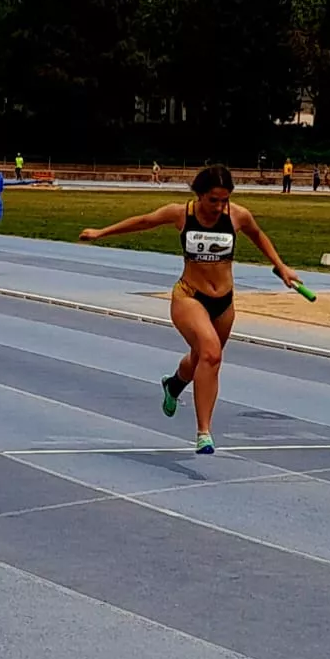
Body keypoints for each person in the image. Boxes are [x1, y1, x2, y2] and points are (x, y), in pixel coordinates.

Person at [77, 165, 302, 454]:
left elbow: (258, 235)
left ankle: (174, 384)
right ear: (200, 195)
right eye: (213, 200)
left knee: (201, 359)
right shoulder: (181, 213)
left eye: (225, 200)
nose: (220, 207)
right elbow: (144, 221)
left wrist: (280, 266)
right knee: (211, 352)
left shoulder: (237, 215)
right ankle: (204, 432)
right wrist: (100, 233)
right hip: (188, 296)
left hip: (224, 302)